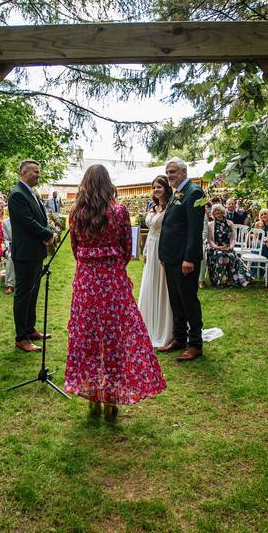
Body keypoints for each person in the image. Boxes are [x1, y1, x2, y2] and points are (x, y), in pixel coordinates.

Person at [64, 164, 166, 421]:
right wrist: (112, 266)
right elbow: (125, 248)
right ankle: (111, 398)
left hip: (86, 282)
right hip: (112, 282)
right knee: (114, 339)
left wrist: (90, 264)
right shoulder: (120, 212)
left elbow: (76, 250)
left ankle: (92, 397)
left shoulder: (76, 213)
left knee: (87, 337)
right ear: (108, 183)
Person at [157, 158, 206, 361]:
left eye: (173, 172)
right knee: (175, 300)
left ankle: (195, 343)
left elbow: (194, 230)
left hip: (184, 260)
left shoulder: (195, 193)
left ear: (184, 172)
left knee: (188, 300)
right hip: (170, 257)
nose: (169, 176)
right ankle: (179, 337)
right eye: (168, 172)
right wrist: (163, 255)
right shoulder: (176, 193)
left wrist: (189, 259)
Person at [8, 160, 55, 352]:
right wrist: (48, 234)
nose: (38, 175)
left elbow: (39, 218)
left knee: (33, 293)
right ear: (24, 172)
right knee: (23, 295)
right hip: (25, 253)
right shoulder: (17, 194)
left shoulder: (31, 192)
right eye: (36, 172)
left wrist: (47, 229)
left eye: (39, 171)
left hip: (35, 252)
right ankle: (21, 337)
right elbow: (27, 222)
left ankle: (30, 328)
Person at [137, 176, 174, 348]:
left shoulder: (171, 207)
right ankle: (146, 324)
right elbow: (150, 230)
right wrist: (144, 250)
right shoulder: (153, 207)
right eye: (154, 187)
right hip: (150, 249)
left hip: (162, 247)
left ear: (166, 188)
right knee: (150, 284)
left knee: (162, 285)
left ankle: (163, 327)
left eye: (159, 187)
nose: (156, 190)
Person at [206, 204, 252, 288]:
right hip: (215, 248)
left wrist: (230, 247)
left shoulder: (230, 223)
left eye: (219, 210)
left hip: (228, 247)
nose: (217, 212)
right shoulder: (210, 225)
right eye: (215, 211)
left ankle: (232, 279)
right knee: (221, 255)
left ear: (223, 211)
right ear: (213, 213)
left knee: (229, 255)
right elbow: (210, 240)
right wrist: (218, 247)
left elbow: (233, 238)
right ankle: (221, 281)